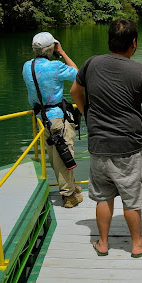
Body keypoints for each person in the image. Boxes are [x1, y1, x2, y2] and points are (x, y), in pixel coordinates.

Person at [70, 19, 142, 258]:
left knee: (102, 195)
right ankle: (138, 244)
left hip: (98, 143)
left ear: (109, 40)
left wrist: (86, 111)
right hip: (128, 146)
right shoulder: (140, 71)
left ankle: (103, 243)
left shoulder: (91, 64)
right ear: (134, 43)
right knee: (132, 198)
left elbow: (74, 92)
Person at [23, 32, 83, 208]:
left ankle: (69, 187)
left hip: (40, 117)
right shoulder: (55, 66)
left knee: (54, 154)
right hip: (56, 117)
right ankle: (69, 196)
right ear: (51, 49)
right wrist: (62, 53)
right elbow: (79, 76)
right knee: (64, 153)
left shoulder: (27, 66)